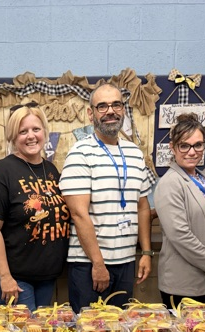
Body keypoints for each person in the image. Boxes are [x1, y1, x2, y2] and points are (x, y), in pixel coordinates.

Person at [59, 83, 153, 313]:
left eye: (116, 105)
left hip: (126, 261)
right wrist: (98, 263)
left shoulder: (134, 153)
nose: (110, 111)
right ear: (91, 113)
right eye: (102, 106)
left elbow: (142, 207)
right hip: (90, 264)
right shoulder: (80, 153)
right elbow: (78, 214)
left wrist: (147, 253)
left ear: (123, 110)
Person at [0, 102, 69, 311]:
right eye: (23, 131)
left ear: (44, 132)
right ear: (13, 137)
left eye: (36, 129)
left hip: (45, 275)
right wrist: (5, 277)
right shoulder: (1, 172)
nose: (31, 136)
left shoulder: (51, 169)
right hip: (14, 278)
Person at [154, 113, 205, 307]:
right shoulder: (169, 183)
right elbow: (180, 235)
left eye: (198, 145)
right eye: (184, 145)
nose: (192, 152)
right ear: (173, 148)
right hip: (184, 282)